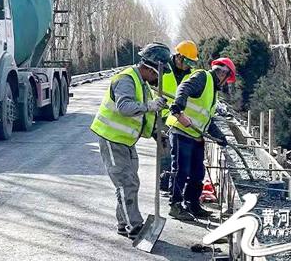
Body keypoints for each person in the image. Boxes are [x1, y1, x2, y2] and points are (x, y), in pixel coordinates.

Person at [90, 42, 171, 239]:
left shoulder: (142, 83)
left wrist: (157, 133)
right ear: (150, 68)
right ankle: (134, 226)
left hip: (126, 141)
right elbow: (125, 107)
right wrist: (150, 105)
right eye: (157, 75)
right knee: (127, 183)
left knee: (129, 182)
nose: (157, 79)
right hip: (112, 138)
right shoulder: (126, 79)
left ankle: (123, 223)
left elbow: (144, 117)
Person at [165, 57, 237, 220]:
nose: (226, 83)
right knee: (181, 170)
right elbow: (184, 88)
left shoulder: (213, 91)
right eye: (227, 79)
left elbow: (206, 119)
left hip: (195, 136)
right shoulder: (202, 77)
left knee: (198, 173)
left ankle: (193, 204)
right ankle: (175, 205)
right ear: (223, 73)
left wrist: (220, 137)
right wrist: (178, 109)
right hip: (181, 130)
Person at [159, 41, 199, 194]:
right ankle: (165, 182)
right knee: (165, 151)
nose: (189, 65)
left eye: (191, 62)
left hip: (179, 116)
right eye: (187, 61)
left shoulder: (191, 74)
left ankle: (172, 183)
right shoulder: (162, 69)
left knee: (176, 151)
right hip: (162, 116)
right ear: (178, 57)